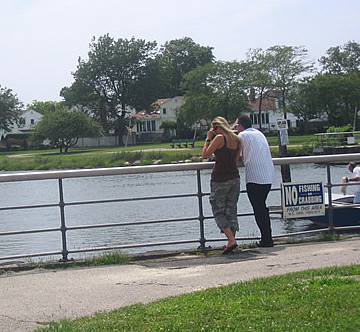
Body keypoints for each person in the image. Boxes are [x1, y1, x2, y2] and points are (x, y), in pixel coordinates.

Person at [202, 116, 242, 254]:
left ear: (217, 127)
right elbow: (237, 159)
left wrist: (208, 138)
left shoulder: (219, 138)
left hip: (220, 179)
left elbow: (205, 155)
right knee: (231, 209)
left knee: (218, 210)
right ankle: (232, 240)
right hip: (234, 178)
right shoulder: (237, 139)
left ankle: (231, 240)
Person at [236, 115, 275, 247]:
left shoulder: (242, 136)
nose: (236, 129)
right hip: (268, 176)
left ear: (240, 126)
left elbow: (237, 156)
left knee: (259, 209)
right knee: (262, 208)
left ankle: (267, 239)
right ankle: (267, 237)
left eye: (236, 126)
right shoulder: (259, 134)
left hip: (254, 177)